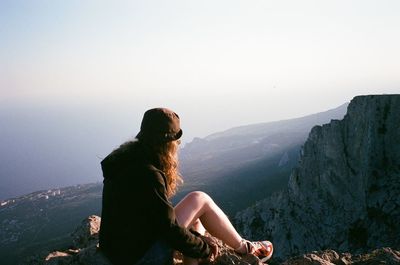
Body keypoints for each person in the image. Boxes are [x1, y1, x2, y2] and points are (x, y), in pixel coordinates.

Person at [99, 108, 273, 265]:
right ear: (168, 143)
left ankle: (229, 249)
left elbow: (150, 219)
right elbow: (168, 229)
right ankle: (246, 248)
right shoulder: (149, 175)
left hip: (116, 249)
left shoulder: (122, 160)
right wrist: (204, 247)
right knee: (200, 199)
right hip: (140, 257)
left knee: (196, 222)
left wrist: (197, 239)